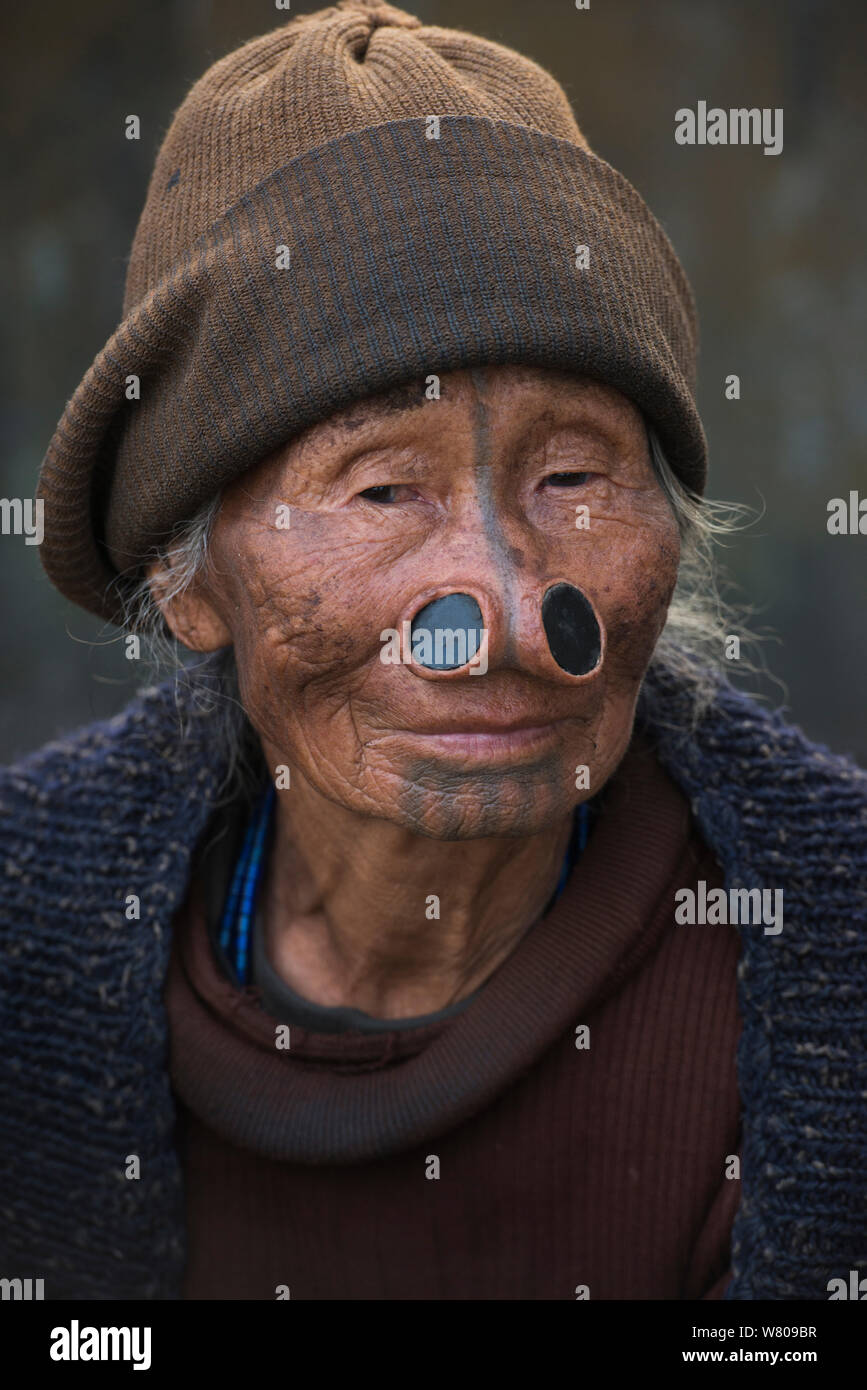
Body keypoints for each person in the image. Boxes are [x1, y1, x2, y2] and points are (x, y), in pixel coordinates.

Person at [3, 0, 865, 1301]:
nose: (510, 620)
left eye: (574, 475)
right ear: (188, 579)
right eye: (380, 492)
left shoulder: (834, 953)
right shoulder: (26, 944)